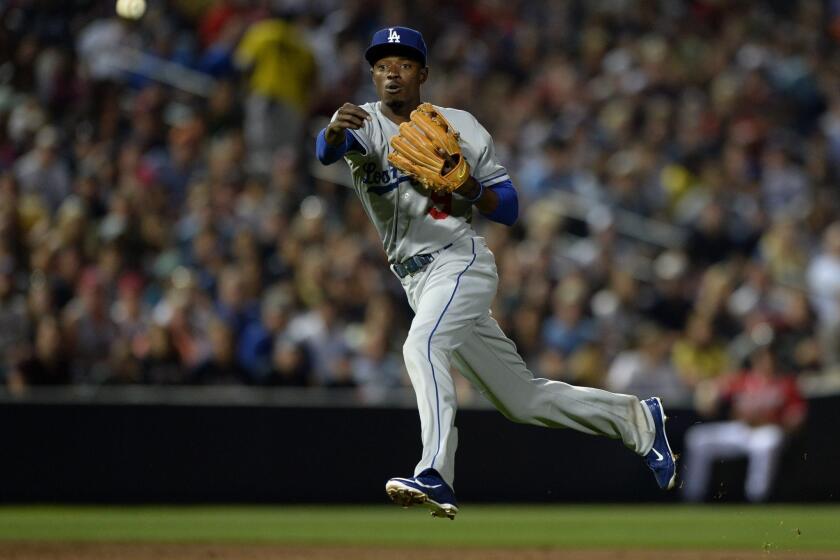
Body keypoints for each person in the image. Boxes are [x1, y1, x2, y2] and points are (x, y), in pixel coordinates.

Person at [315, 26, 676, 520]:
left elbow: (507, 208)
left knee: (421, 346)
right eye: (380, 66)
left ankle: (435, 473)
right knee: (520, 400)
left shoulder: (459, 124)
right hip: (415, 282)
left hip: (459, 261)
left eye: (401, 63)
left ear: (423, 73)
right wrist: (332, 130)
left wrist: (469, 188)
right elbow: (327, 150)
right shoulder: (362, 123)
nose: (390, 73)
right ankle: (637, 418)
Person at [681, 337, 807, 502]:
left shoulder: (785, 383)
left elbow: (796, 416)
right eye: (760, 356)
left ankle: (757, 498)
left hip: (768, 430)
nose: (764, 361)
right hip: (740, 429)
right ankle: (692, 497)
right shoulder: (743, 379)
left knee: (767, 443)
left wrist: (778, 423)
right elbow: (712, 391)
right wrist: (708, 396)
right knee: (697, 438)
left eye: (768, 356)